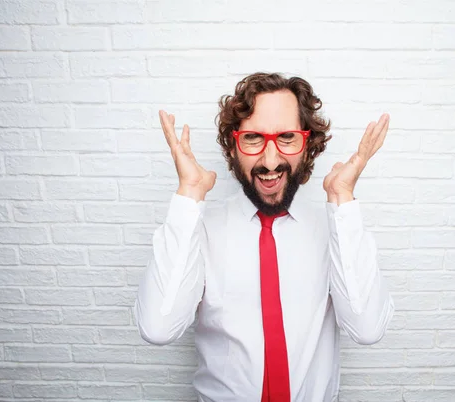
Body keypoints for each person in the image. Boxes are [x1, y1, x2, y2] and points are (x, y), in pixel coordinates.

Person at [134, 72, 395, 402]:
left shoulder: (336, 230)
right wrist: (189, 193)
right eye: (254, 138)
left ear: (308, 144)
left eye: (286, 137)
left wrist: (342, 197)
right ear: (233, 144)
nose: (270, 162)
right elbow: (158, 328)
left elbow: (367, 329)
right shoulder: (198, 228)